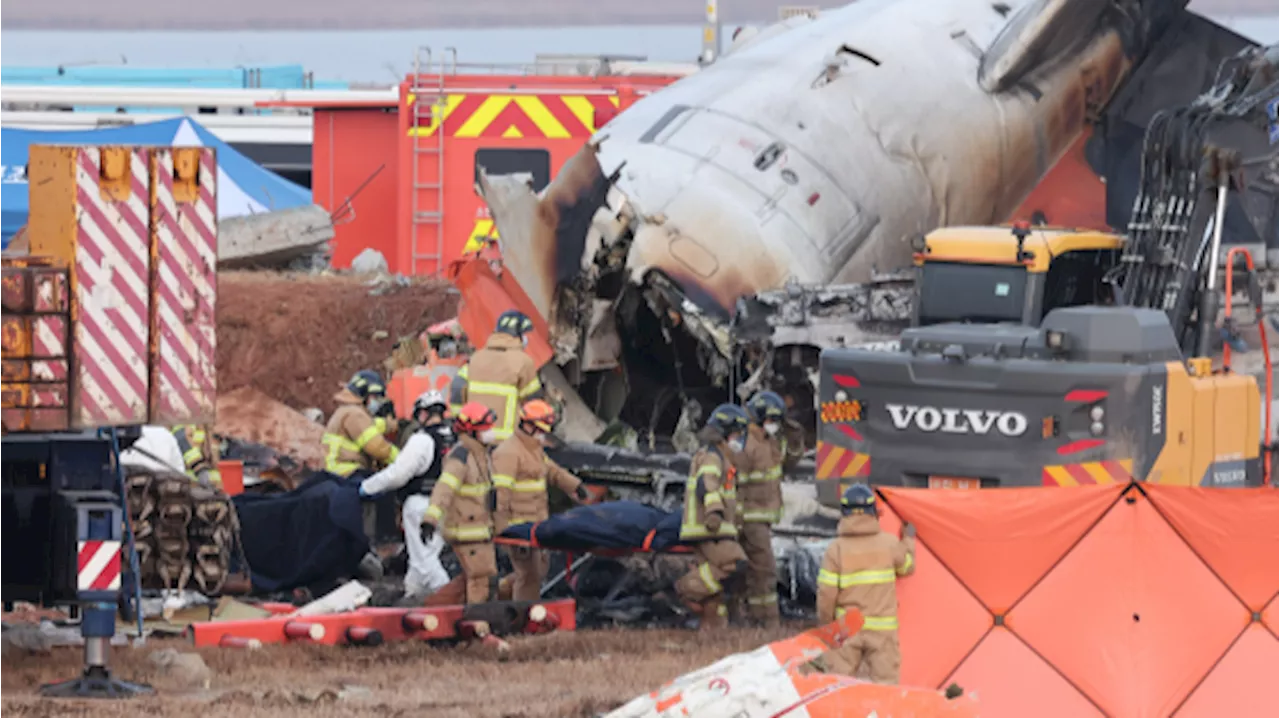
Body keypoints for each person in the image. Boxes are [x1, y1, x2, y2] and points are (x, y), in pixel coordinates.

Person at [357, 390, 456, 603]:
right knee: (423, 558)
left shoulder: (423, 440)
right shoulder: (454, 437)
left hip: (421, 505)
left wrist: (368, 487)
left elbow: (399, 474)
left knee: (425, 561)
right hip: (448, 504)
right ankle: (412, 597)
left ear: (423, 413)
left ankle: (450, 601)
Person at [492, 399, 593, 601]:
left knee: (538, 571)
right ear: (528, 425)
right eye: (540, 429)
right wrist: (504, 531)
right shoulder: (508, 453)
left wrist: (575, 486)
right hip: (518, 526)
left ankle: (504, 592)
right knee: (528, 575)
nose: (543, 435)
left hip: (537, 522)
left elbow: (552, 471)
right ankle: (523, 618)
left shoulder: (534, 448)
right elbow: (499, 495)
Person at [816, 484, 916, 684]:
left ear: (843, 513)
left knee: (836, 687)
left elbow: (826, 595)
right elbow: (907, 567)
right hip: (883, 631)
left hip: (846, 629)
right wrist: (908, 540)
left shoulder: (835, 550)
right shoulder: (889, 544)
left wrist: (827, 627)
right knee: (887, 689)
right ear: (874, 512)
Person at [675, 403, 750, 630]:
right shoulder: (711, 457)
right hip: (708, 527)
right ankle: (685, 588)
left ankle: (713, 628)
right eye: (737, 435)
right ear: (724, 434)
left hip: (718, 528)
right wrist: (714, 513)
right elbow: (706, 485)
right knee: (734, 562)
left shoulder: (723, 457)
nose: (740, 440)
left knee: (715, 593)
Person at [421, 402, 502, 604]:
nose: (490, 432)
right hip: (467, 530)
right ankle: (477, 622)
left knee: (476, 578)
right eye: (485, 429)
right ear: (472, 431)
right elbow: (444, 488)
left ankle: (437, 611)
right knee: (480, 578)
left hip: (480, 529)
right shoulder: (461, 457)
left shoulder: (481, 454)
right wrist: (430, 519)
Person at [735, 390, 788, 627]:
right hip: (750, 519)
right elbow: (736, 483)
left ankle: (750, 616)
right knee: (764, 570)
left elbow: (783, 464)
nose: (773, 425)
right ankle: (767, 622)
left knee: (757, 571)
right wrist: (737, 520)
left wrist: (794, 438)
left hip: (761, 518)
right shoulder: (748, 445)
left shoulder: (768, 441)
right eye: (770, 420)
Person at [452, 310, 542, 444]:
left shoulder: (476, 358)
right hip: (507, 443)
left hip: (476, 438)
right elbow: (534, 402)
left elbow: (457, 387)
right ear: (518, 336)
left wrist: (460, 422)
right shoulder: (523, 362)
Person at [322, 370, 400, 477]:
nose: (377, 401)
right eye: (375, 397)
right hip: (346, 473)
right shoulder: (355, 414)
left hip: (336, 473)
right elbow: (378, 448)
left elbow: (371, 425)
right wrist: (401, 459)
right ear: (364, 395)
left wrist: (392, 425)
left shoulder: (347, 411)